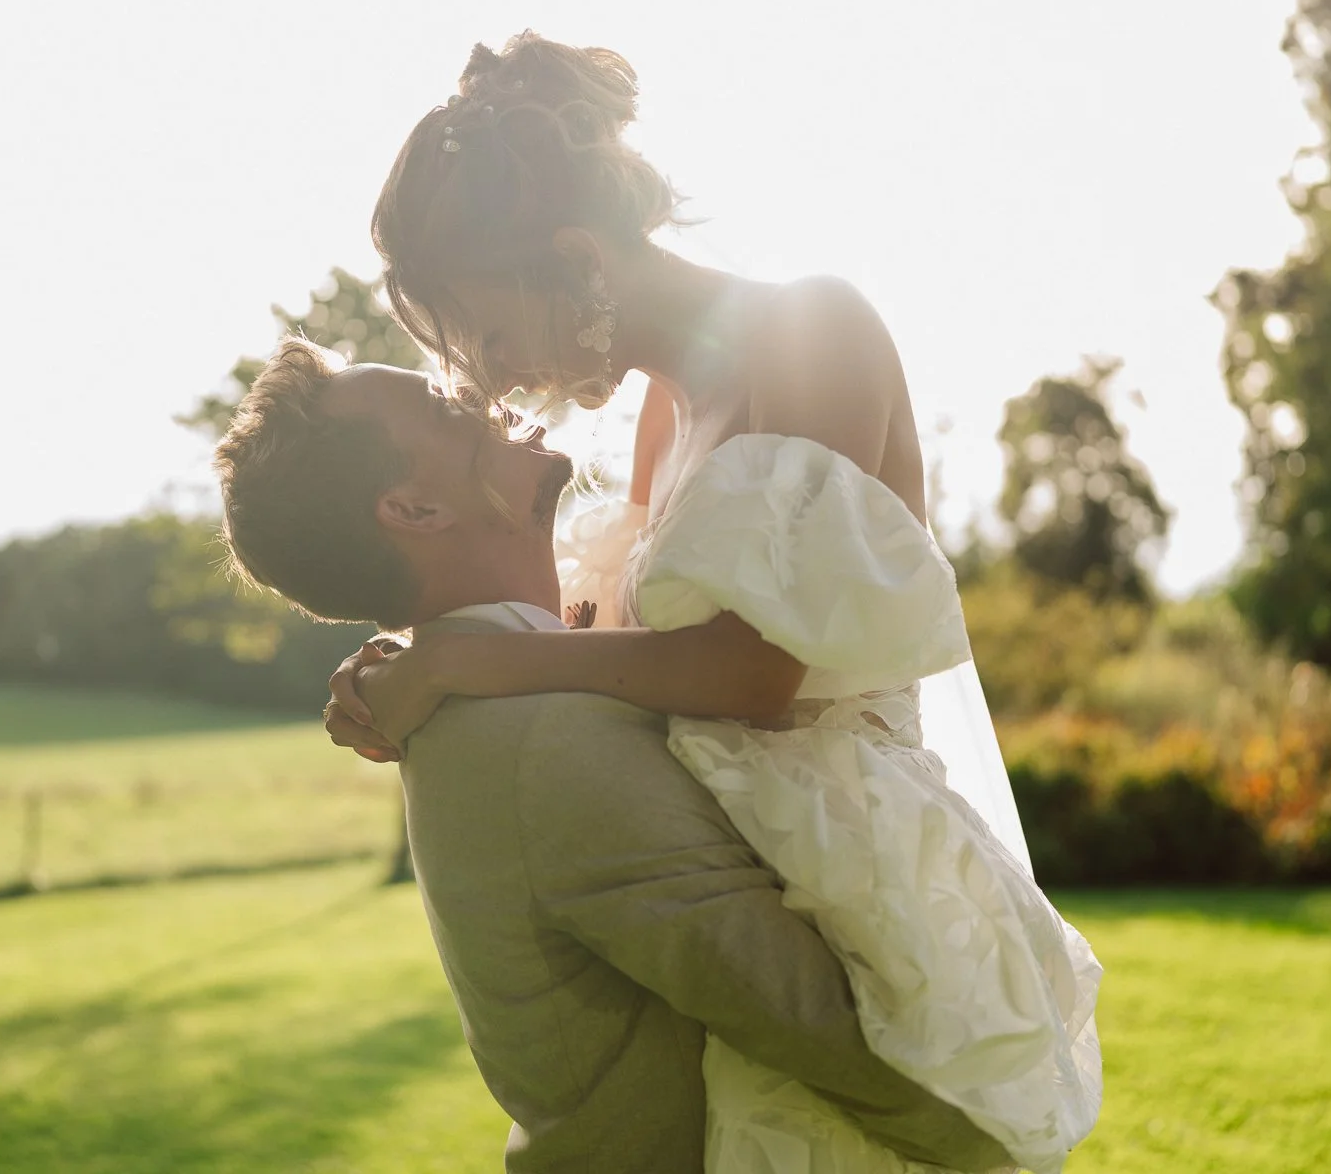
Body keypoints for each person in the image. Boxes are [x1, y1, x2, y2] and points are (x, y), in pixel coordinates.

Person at [320, 32, 1102, 1174]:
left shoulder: (814, 333)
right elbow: (628, 660)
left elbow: (751, 674)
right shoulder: (657, 414)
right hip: (732, 867)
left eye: (488, 330)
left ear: (577, 257)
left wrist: (476, 667)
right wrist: (418, 653)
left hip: (856, 881)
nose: (490, 376)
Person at [213, 339, 1015, 1174]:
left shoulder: (511, 685)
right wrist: (1000, 1128)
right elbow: (841, 1043)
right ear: (414, 510)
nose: (479, 390)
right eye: (445, 405)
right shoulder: (539, 744)